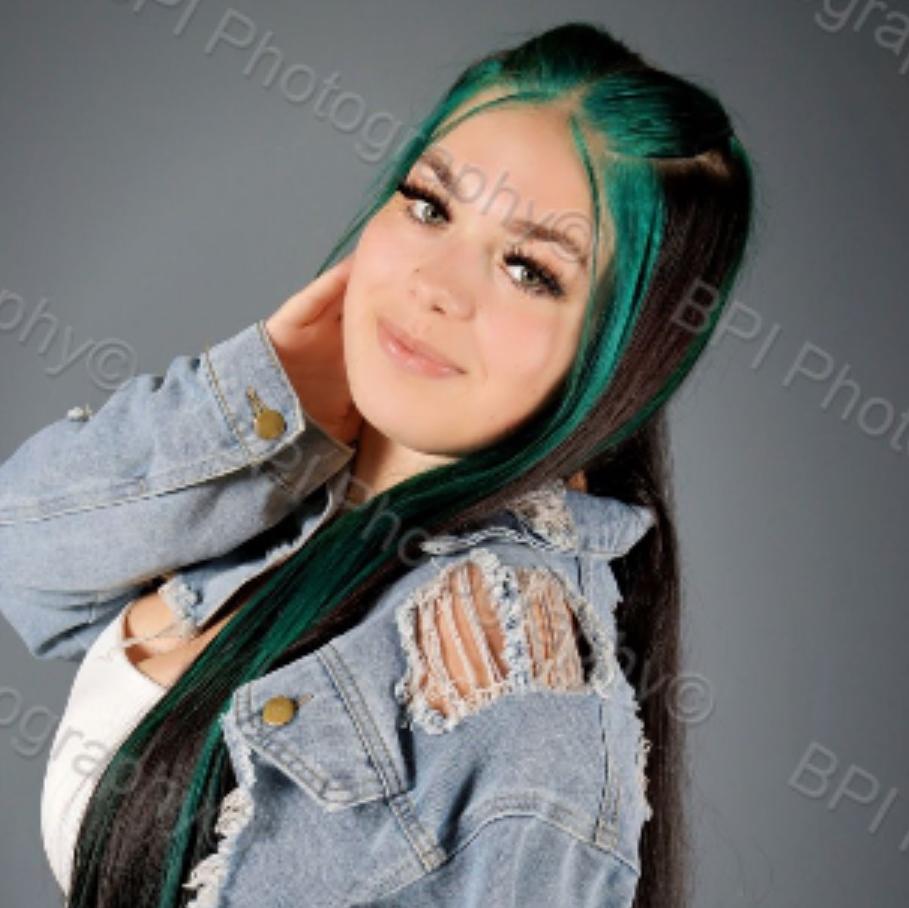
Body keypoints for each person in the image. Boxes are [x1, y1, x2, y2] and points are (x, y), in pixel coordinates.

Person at [0, 20, 755, 908]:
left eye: (527, 269)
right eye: (429, 207)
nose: (436, 285)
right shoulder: (292, 495)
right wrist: (261, 398)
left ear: (623, 357)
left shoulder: (514, 689)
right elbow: (29, 563)